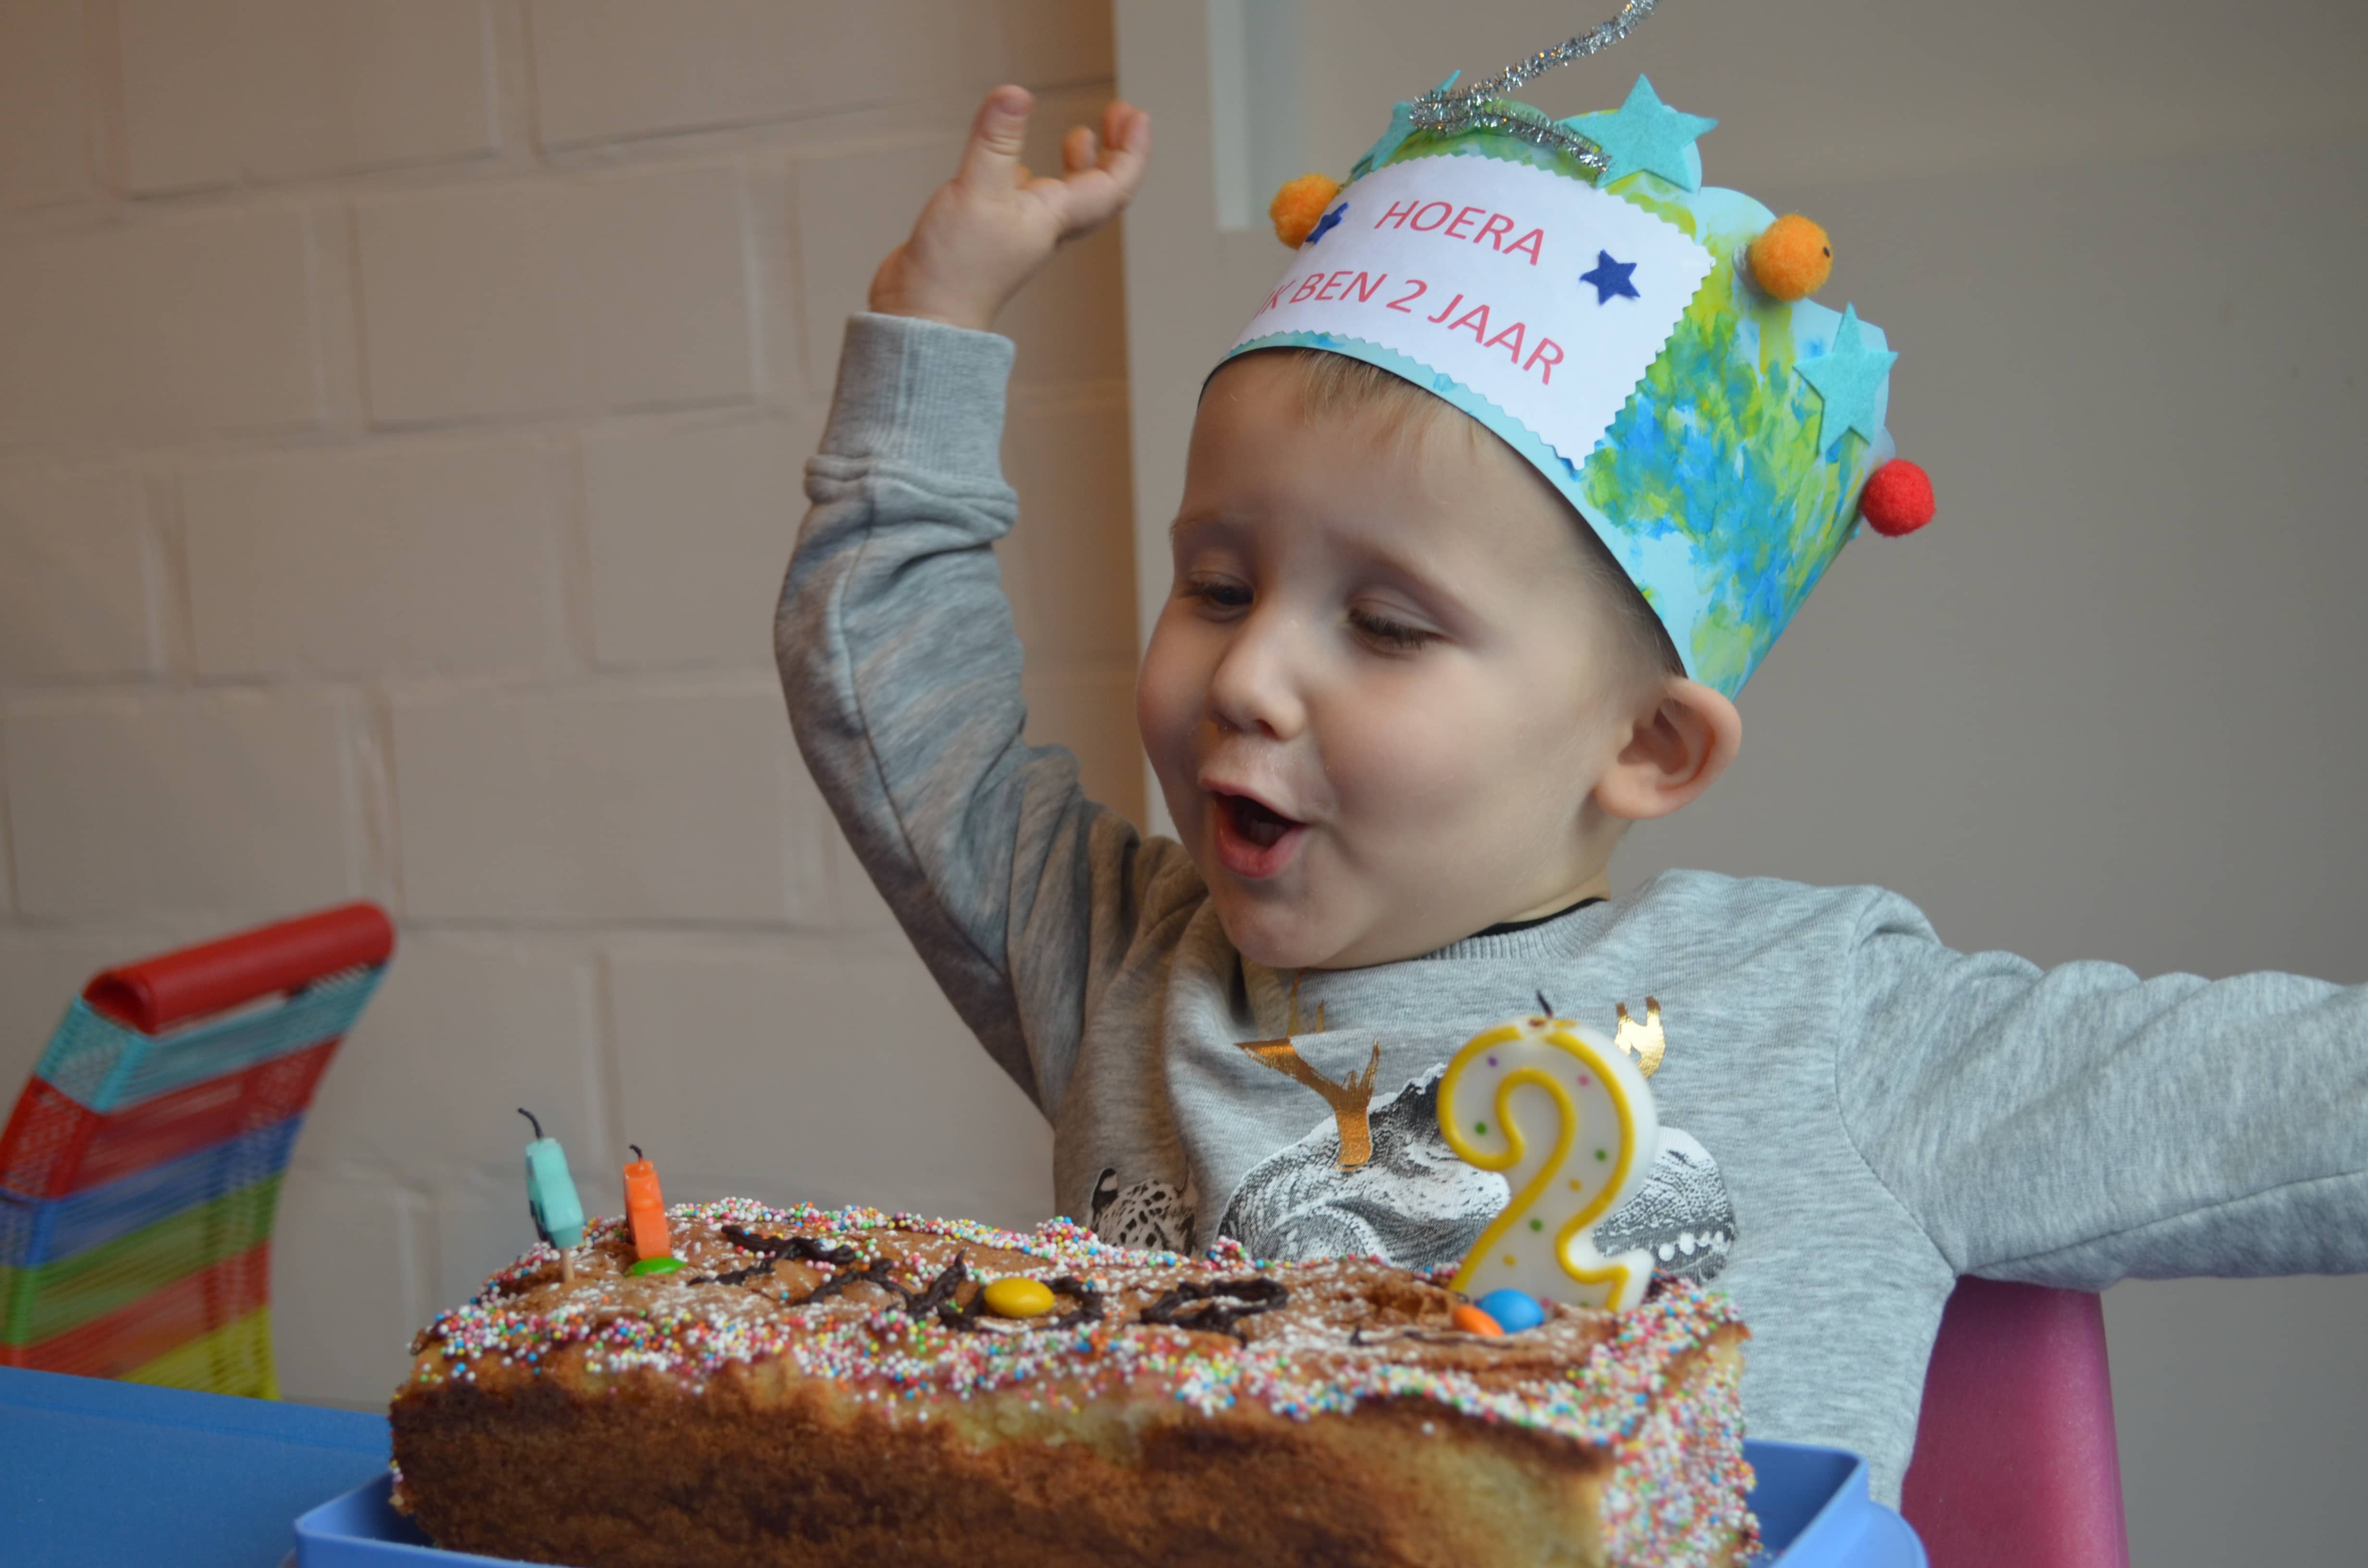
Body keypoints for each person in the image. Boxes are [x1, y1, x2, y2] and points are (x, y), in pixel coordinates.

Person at [775, 77, 2366, 1504]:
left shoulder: (1832, 1022)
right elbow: (898, 708)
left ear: (1649, 747)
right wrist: (934, 317)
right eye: (1216, 586)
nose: (1250, 676)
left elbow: (2276, 1100)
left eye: (1386, 625)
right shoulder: (1125, 965)